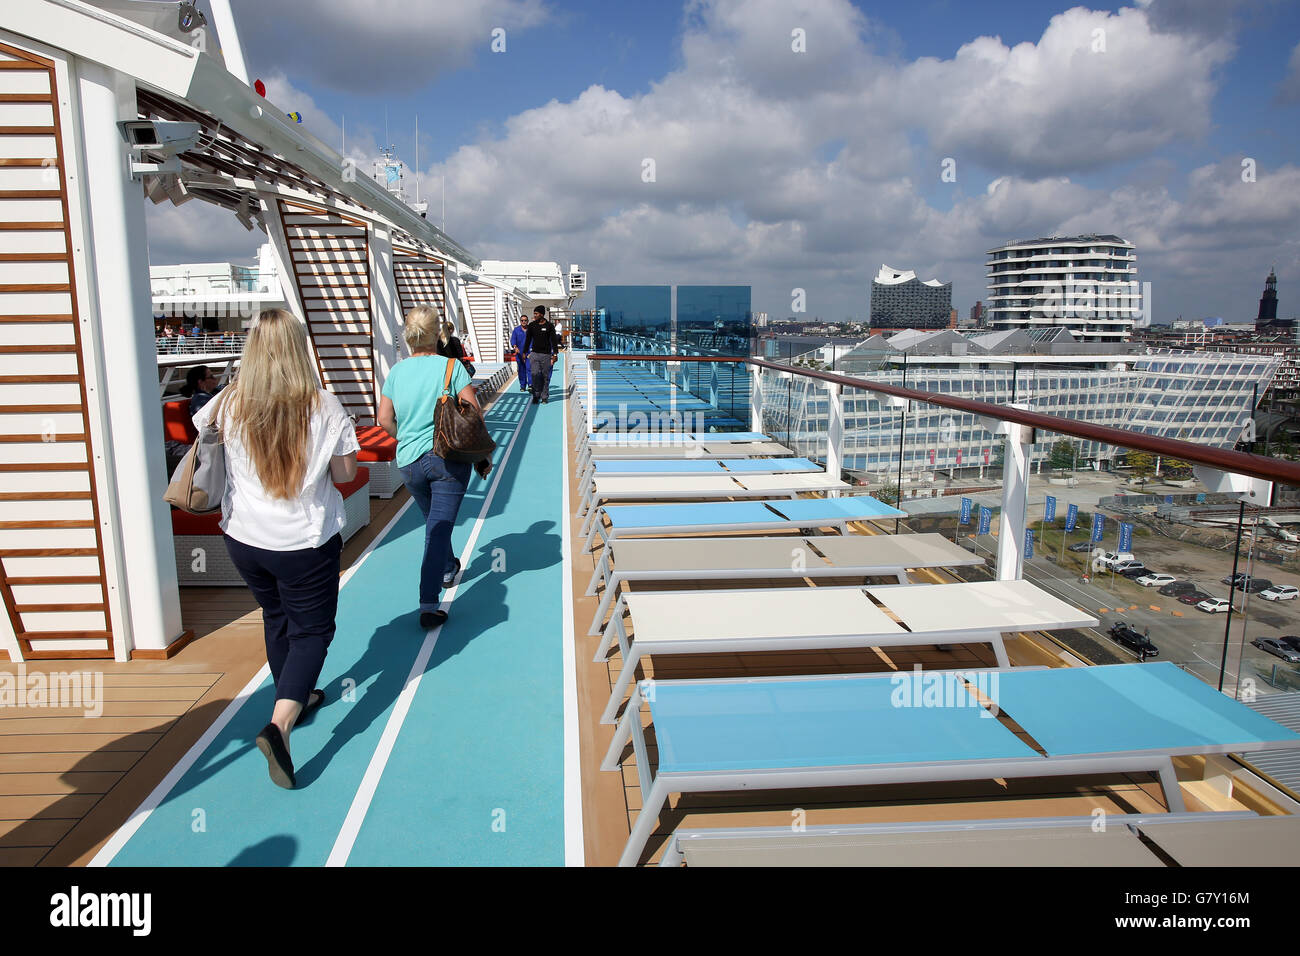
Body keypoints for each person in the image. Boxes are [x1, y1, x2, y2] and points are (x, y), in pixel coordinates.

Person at [192, 309, 359, 790]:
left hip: (245, 538)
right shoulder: (323, 405)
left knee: (275, 616)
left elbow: (205, 438)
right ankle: (280, 723)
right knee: (312, 630)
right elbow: (346, 475)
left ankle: (297, 695)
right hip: (303, 540)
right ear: (297, 350)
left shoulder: (229, 402)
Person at [378, 305, 488, 631]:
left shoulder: (396, 372)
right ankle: (429, 602)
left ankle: (449, 564)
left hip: (410, 463)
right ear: (437, 332)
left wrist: (408, 438)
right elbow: (474, 412)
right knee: (436, 530)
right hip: (447, 461)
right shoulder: (451, 368)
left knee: (434, 523)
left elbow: (384, 419)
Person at [523, 305, 559, 404]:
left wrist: (555, 354)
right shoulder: (532, 325)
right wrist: (525, 352)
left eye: (536, 313)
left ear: (542, 314)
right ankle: (536, 394)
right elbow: (528, 340)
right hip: (534, 354)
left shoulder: (549, 326)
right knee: (534, 374)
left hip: (546, 355)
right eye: (534, 313)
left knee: (545, 376)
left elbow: (554, 341)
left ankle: (544, 396)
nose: (534, 315)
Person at [510, 314, 531, 392]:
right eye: (522, 320)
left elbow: (534, 341)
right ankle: (522, 385)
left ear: (527, 321)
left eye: (525, 320)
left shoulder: (531, 330)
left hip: (529, 353)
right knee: (521, 370)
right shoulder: (516, 330)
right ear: (520, 321)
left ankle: (530, 385)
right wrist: (515, 347)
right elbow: (513, 340)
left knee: (529, 369)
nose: (524, 322)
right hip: (519, 353)